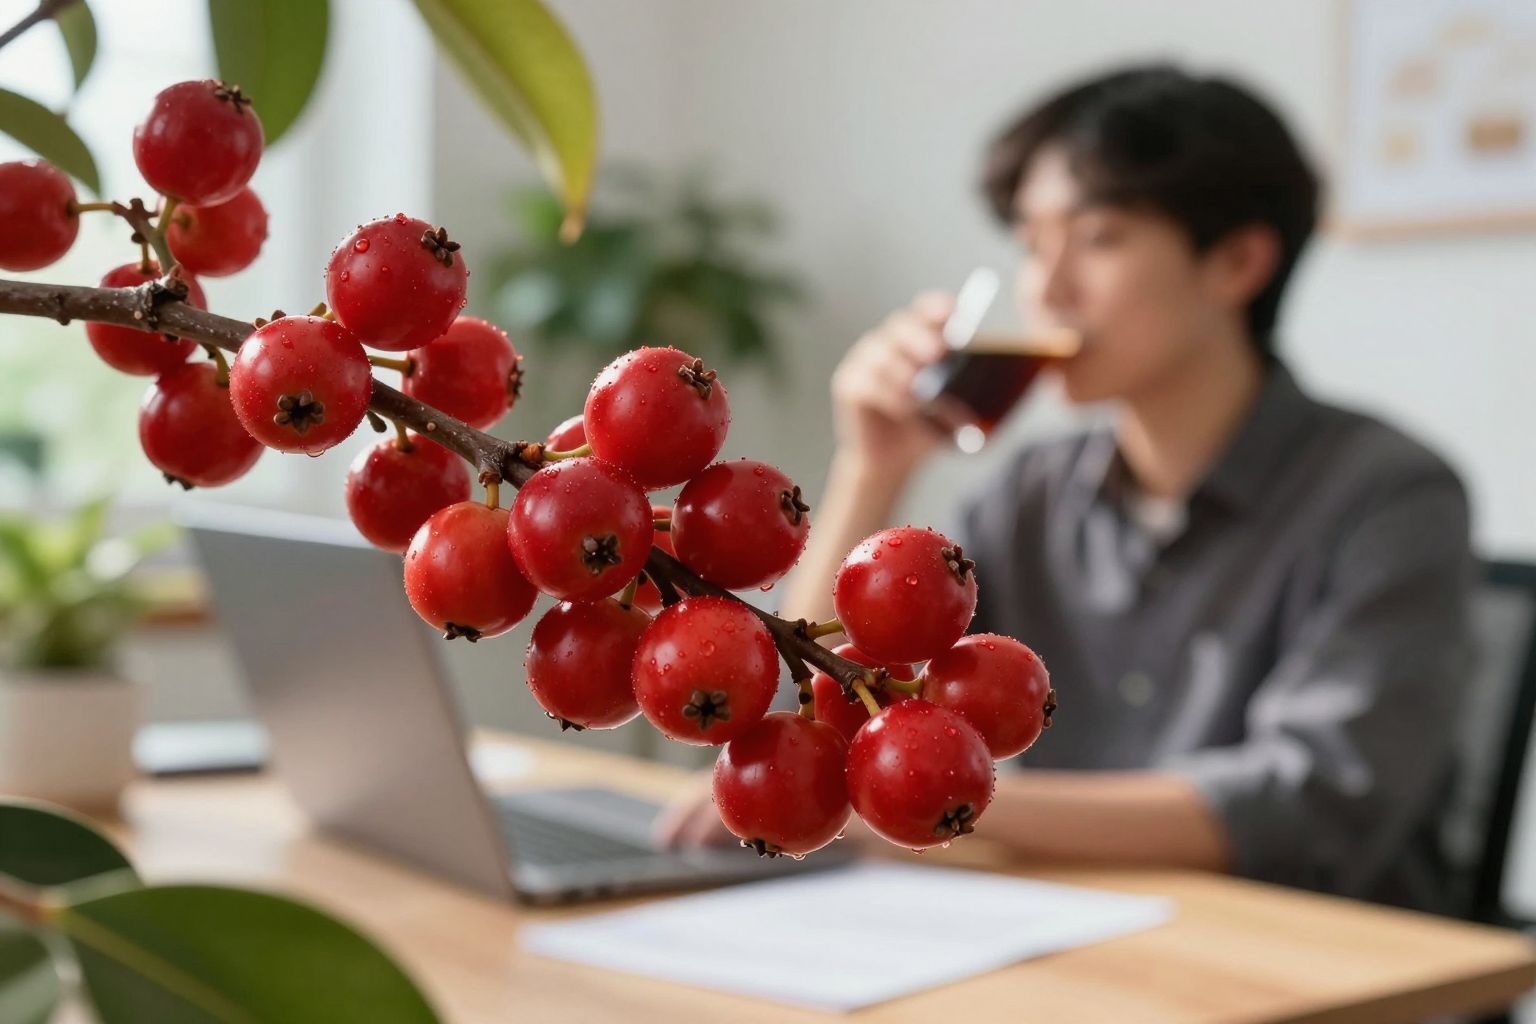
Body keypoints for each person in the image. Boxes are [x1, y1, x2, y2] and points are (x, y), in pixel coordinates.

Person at [654, 64, 1475, 913]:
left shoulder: (1390, 496)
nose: (1046, 289)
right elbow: (820, 708)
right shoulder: (1032, 495)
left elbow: (1307, 802)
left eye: (1097, 238)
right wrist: (874, 467)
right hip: (1070, 938)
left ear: (1237, 261)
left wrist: (918, 804)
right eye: (1034, 244)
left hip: (1324, 966)